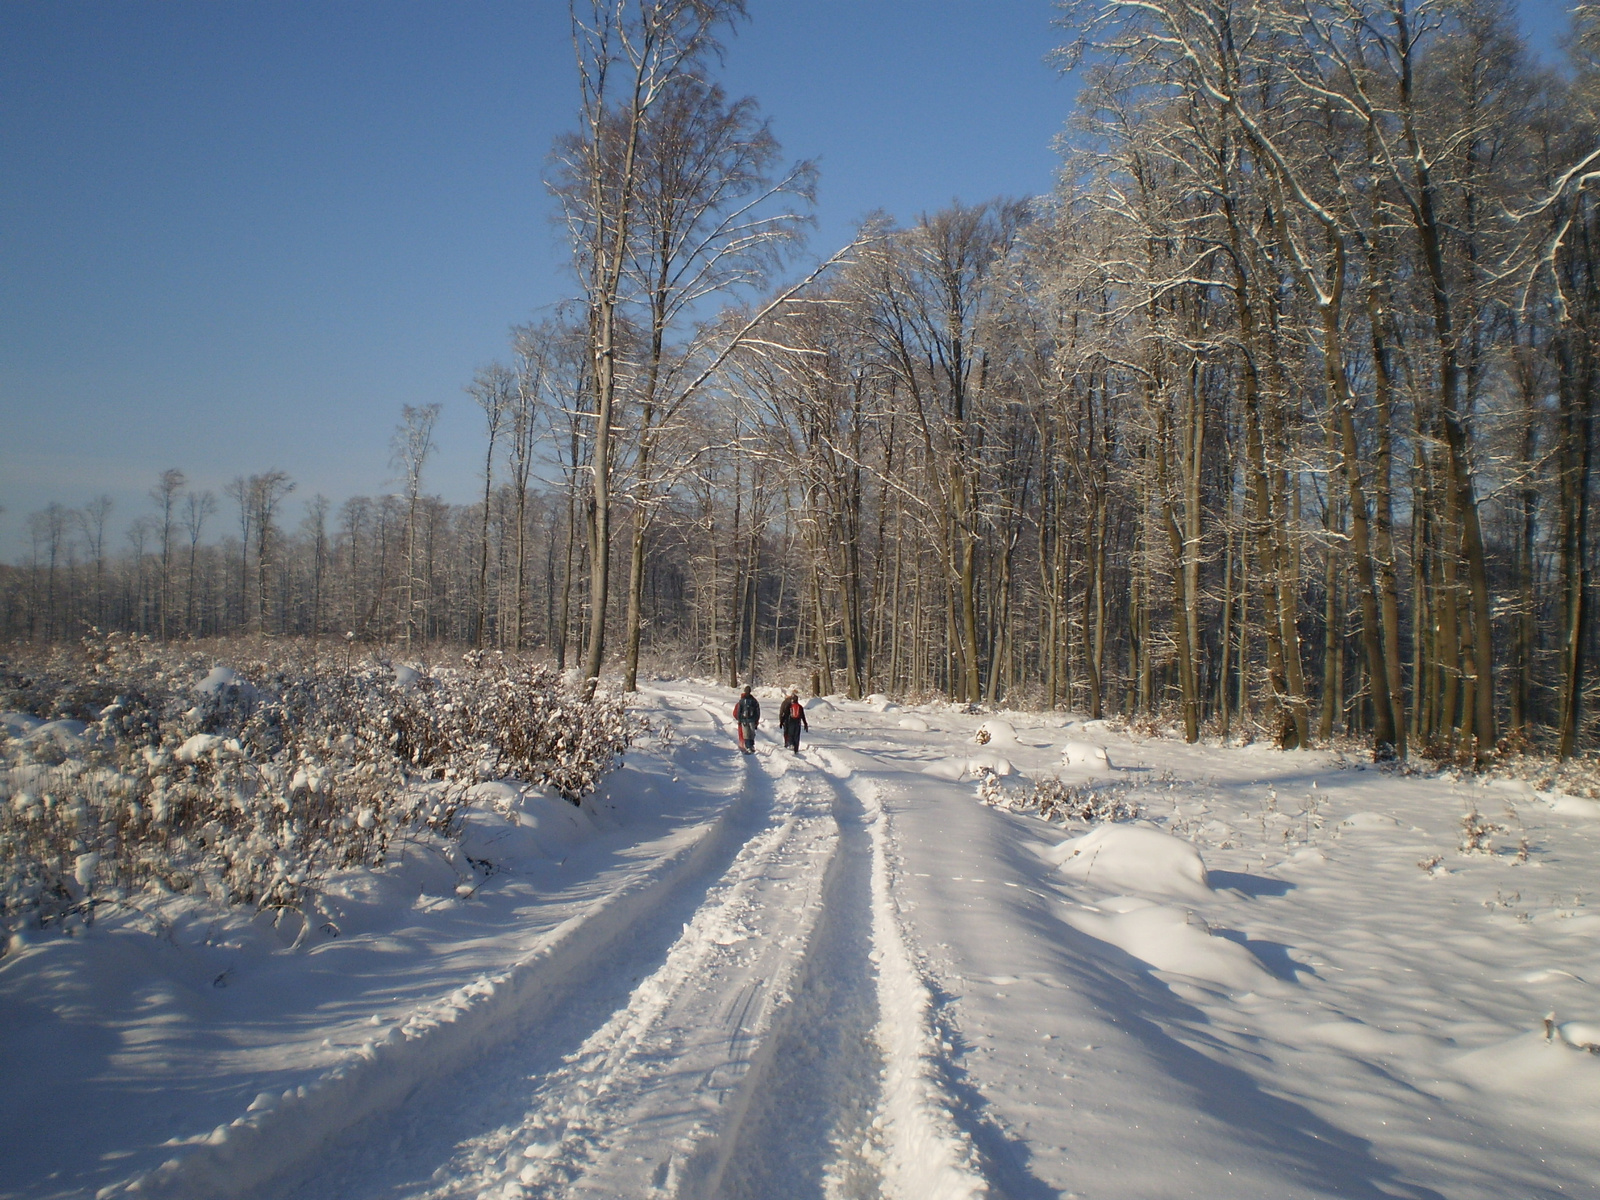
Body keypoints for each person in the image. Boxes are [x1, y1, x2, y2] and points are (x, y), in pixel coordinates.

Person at [733, 684, 761, 754]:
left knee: (746, 734)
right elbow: (757, 711)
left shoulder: (741, 701)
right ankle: (751, 746)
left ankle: (748, 747)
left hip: (744, 720)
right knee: (752, 734)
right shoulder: (754, 700)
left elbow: (739, 711)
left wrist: (739, 720)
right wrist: (756, 720)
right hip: (752, 720)